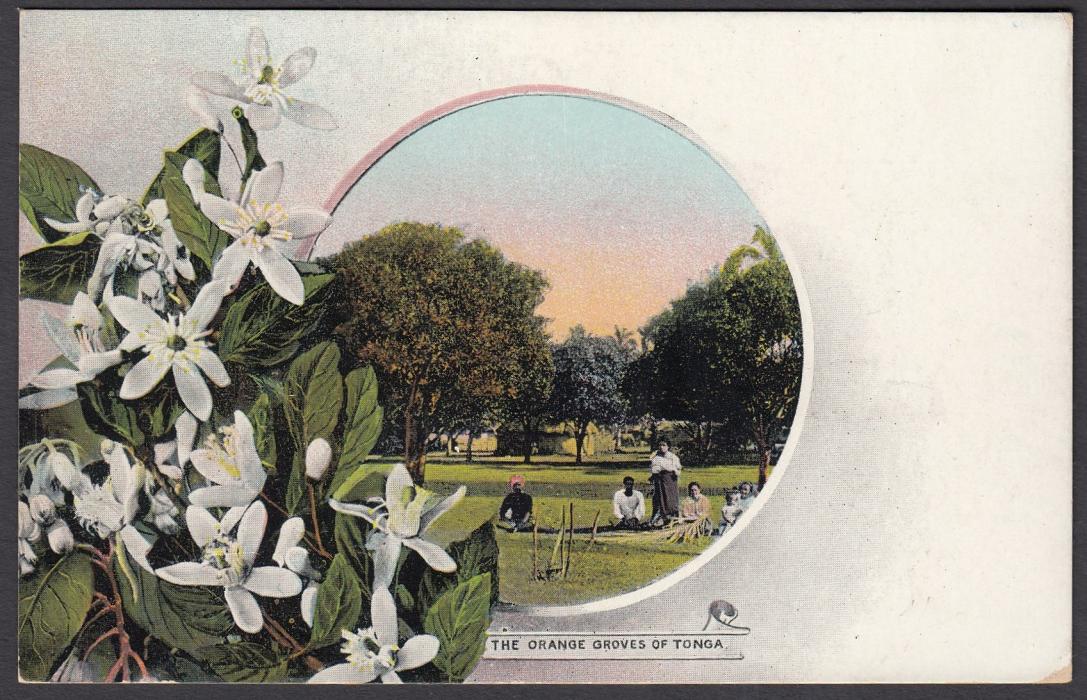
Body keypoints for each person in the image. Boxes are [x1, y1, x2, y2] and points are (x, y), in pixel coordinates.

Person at [649, 440, 681, 524]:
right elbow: (654, 469)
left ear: (668, 446)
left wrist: (672, 470)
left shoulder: (673, 457)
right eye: (660, 445)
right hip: (660, 481)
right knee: (660, 499)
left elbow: (677, 469)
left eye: (664, 445)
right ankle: (660, 519)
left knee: (671, 500)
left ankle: (673, 518)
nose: (661, 447)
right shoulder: (656, 457)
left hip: (670, 481)